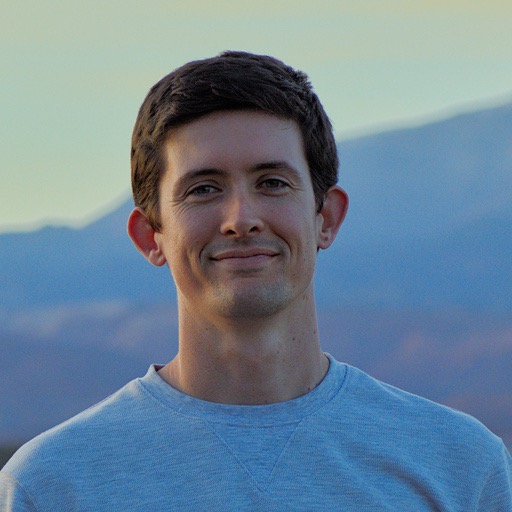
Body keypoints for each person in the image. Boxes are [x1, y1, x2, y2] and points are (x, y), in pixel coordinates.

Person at [1, 51, 510, 511]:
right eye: (203, 189)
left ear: (327, 218)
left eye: (272, 183)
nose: (241, 219)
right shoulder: (52, 486)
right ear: (150, 236)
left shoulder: (459, 466)